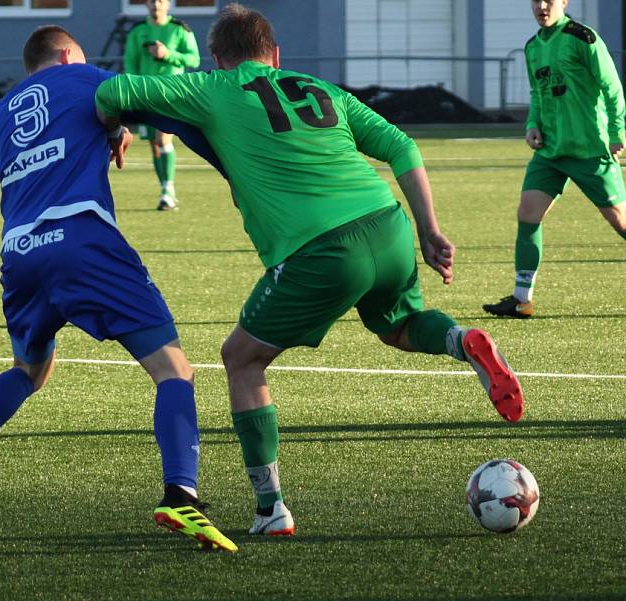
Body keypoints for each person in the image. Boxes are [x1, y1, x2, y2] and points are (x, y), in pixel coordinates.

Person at [94, 3, 526, 536]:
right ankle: (463, 341)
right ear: (275, 55)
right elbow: (401, 145)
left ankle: (270, 508)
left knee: (241, 359)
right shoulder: (322, 89)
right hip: (386, 224)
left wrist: (114, 127)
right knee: (397, 325)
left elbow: (111, 92)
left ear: (217, 59)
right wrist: (430, 231)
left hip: (320, 250)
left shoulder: (214, 88)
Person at [0, 25, 236, 553]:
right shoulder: (86, 77)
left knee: (29, 372)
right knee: (173, 370)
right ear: (67, 57)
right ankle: (181, 493)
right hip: (82, 240)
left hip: (18, 258)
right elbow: (163, 109)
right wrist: (230, 167)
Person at [483, 0, 626, 318]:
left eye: (549, 0)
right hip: (549, 152)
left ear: (564, 2)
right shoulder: (532, 46)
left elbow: (612, 86)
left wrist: (618, 131)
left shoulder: (582, 37)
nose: (541, 6)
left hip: (589, 150)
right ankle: (522, 299)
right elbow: (537, 92)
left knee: (621, 222)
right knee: (528, 214)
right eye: (535, 0)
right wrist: (532, 124)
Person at [123, 0, 200, 210]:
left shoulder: (179, 29)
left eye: (160, 0)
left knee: (162, 138)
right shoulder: (138, 31)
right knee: (155, 145)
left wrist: (168, 54)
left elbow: (194, 59)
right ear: (146, 4)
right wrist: (132, 91)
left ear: (167, 4)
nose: (156, 4)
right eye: (152, 1)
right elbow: (130, 63)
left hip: (171, 94)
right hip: (145, 95)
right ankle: (167, 190)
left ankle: (168, 191)